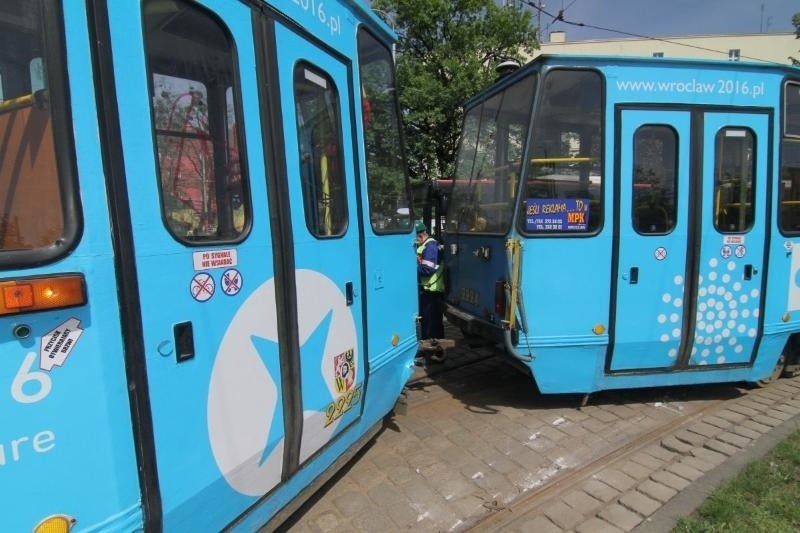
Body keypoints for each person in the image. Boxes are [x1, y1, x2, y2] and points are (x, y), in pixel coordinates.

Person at [414, 220, 445, 364]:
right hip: (426, 289)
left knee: (431, 322)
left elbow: (428, 269)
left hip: (432, 291)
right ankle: (433, 351)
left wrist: (409, 268)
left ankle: (434, 353)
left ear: (420, 235)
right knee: (426, 322)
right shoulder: (424, 245)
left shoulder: (431, 246)